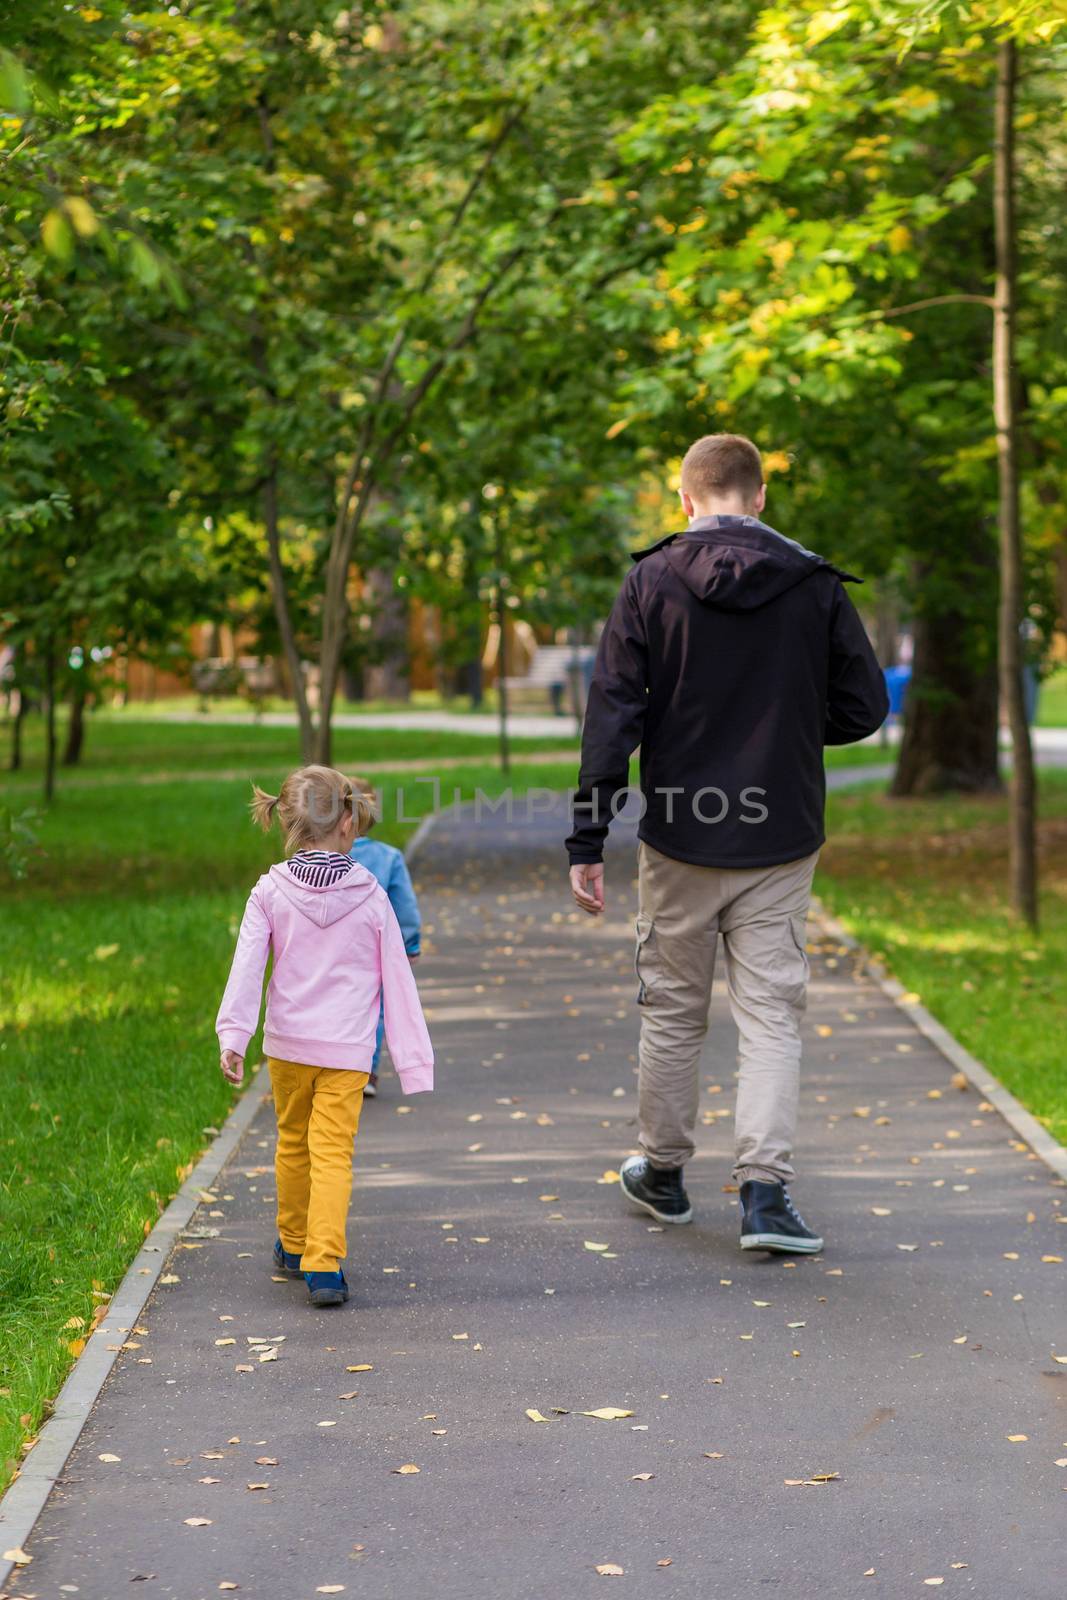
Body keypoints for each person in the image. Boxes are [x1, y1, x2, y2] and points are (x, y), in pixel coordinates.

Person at [565, 434, 888, 1253]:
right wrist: (790, 733)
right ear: (759, 497)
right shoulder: (812, 584)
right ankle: (765, 1197)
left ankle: (665, 1174)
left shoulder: (649, 581)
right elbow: (864, 705)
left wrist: (586, 839)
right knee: (771, 1013)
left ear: (683, 499)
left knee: (672, 1012)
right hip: (781, 832)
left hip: (678, 830)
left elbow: (612, 718)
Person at [215, 765, 434, 1306]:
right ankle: (324, 1264)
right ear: (349, 823)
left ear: (288, 823)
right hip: (348, 1051)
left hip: (288, 1046)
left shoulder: (269, 892)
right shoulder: (371, 896)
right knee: (333, 1152)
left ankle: (292, 1245)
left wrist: (234, 1035)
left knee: (292, 1142)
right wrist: (411, 1060)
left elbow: (247, 969)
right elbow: (397, 982)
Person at [346, 776, 422, 1098]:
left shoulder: (326, 856)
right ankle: (368, 1070)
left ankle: (340, 1063)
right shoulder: (389, 857)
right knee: (374, 1007)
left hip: (335, 947)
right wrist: (410, 944)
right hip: (375, 947)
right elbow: (403, 905)